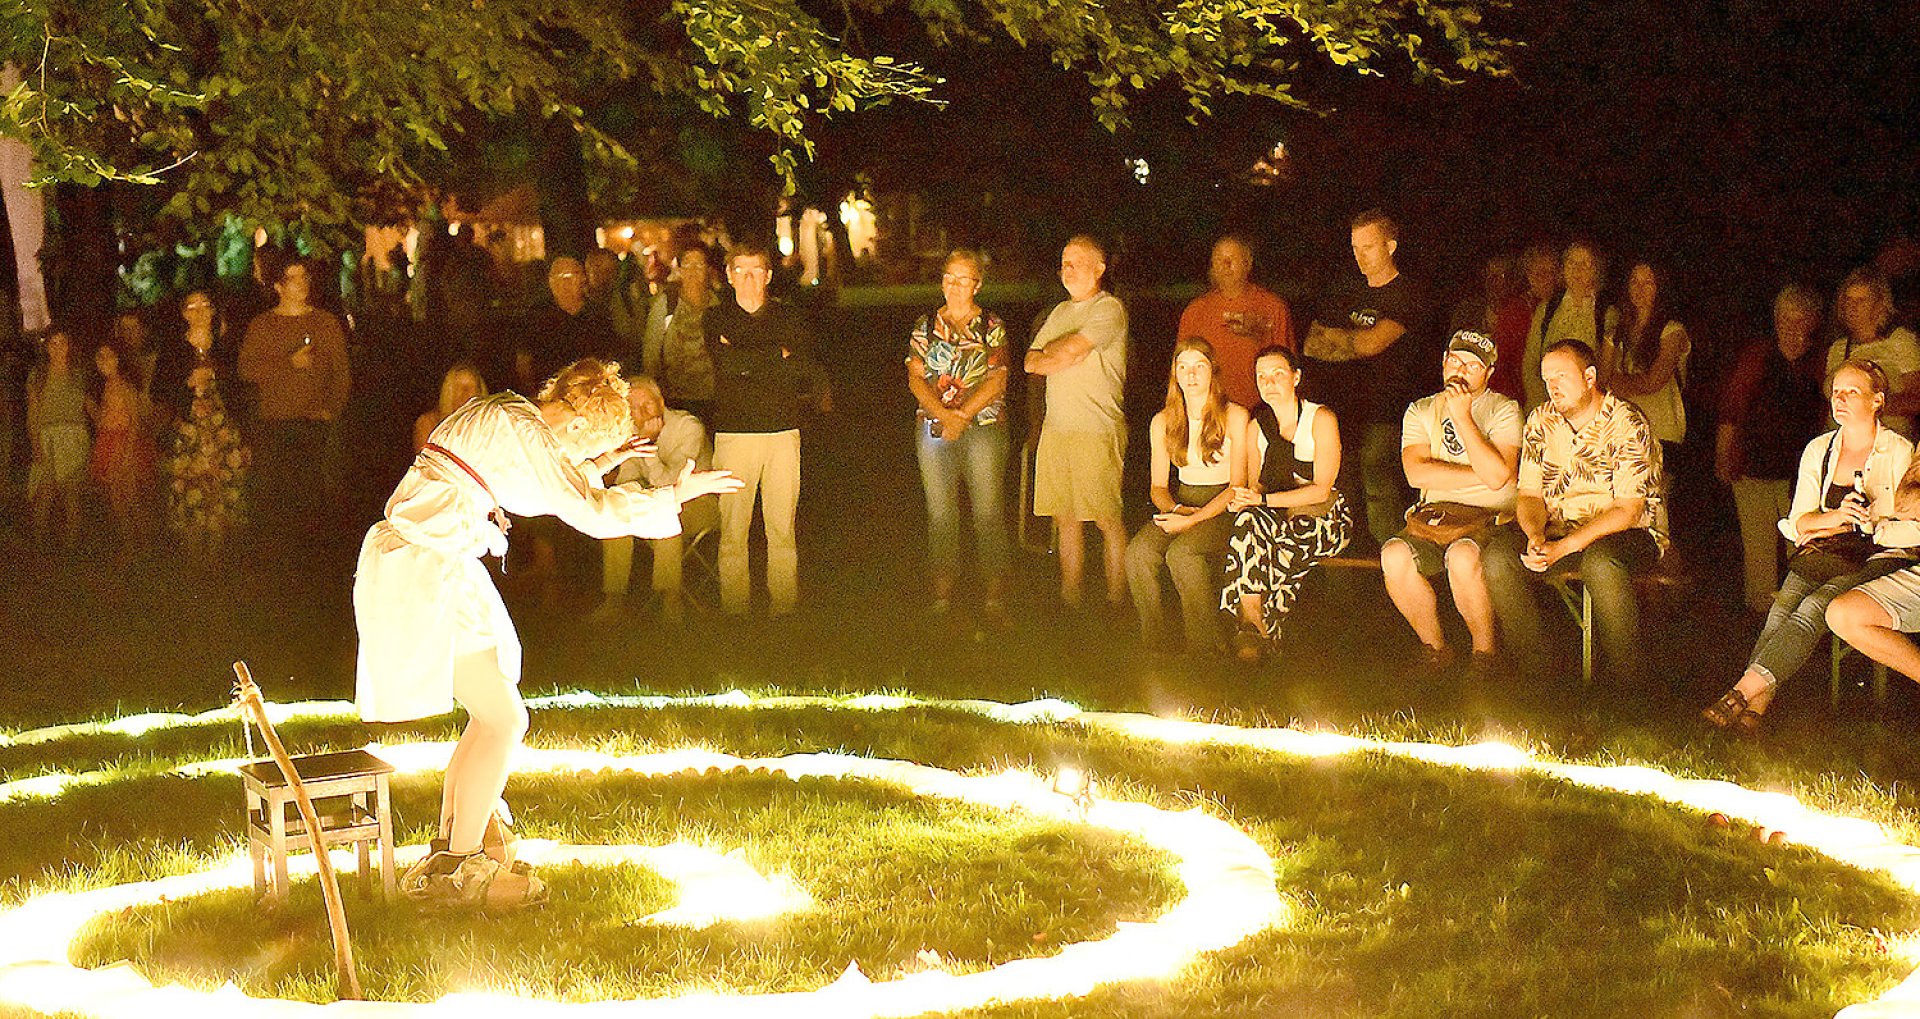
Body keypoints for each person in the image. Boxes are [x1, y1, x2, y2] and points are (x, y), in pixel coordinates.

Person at [355, 358, 741, 909]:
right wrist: (672, 497)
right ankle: (460, 868)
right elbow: (584, 508)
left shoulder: (511, 413)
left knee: (495, 710)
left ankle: (453, 845)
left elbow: (542, 473)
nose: (584, 452)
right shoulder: (522, 432)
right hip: (421, 571)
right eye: (593, 440)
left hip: (438, 565)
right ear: (580, 422)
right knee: (506, 718)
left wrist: (598, 461)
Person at [1702, 360, 1916, 732]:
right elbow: (1800, 521)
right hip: (1826, 550)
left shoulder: (1898, 451)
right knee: (1780, 614)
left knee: (1814, 608)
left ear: (1877, 400)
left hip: (1875, 555)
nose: (1841, 399)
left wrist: (1871, 524)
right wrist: (1836, 517)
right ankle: (1755, 709)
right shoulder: (1820, 449)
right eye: (1836, 392)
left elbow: (1908, 523)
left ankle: (1738, 696)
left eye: (1852, 392)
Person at [1482, 339, 1665, 686]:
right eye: (1547, 378)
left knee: (1600, 562)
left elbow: (1627, 510)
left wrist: (1563, 548)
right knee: (1498, 556)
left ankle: (1629, 681)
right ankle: (1537, 670)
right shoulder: (1541, 420)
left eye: (1561, 377)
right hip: (1559, 529)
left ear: (1590, 376)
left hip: (1626, 533)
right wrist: (1536, 535)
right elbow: (1530, 494)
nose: (1553, 386)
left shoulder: (1626, 422)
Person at [1381, 329, 1522, 677]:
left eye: (1472, 366)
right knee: (1394, 555)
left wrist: (1462, 417)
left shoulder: (1504, 410)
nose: (1460, 371)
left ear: (1488, 373)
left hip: (1491, 518)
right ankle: (1435, 649)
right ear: (1444, 361)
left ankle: (1484, 654)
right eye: (1455, 361)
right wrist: (1486, 474)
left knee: (1462, 557)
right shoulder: (1421, 409)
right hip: (1436, 515)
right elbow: (1416, 473)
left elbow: (1500, 479)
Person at [704, 240, 831, 617]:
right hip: (734, 435)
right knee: (733, 530)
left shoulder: (789, 318)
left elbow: (801, 369)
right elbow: (725, 364)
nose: (747, 279)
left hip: (781, 433)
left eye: (755, 271)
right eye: (739, 271)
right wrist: (775, 356)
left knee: (781, 527)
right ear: (728, 276)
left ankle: (784, 606)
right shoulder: (715, 319)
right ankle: (735, 607)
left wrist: (747, 358)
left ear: (768, 276)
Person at [1303, 209, 1431, 547]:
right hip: (1344, 409)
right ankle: (1347, 561)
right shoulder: (1347, 290)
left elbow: (1372, 342)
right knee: (1340, 486)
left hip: (1387, 411)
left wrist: (1344, 339)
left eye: (1368, 247)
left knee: (1379, 486)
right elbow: (1313, 343)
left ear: (1390, 246)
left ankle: (1394, 559)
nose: (1359, 256)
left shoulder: (1407, 294)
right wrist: (1352, 342)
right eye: (1355, 247)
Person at [1221, 345, 1352, 662]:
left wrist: (1263, 500)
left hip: (1323, 519)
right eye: (1262, 377)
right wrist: (1242, 501)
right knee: (1247, 523)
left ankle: (1253, 632)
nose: (1269, 383)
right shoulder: (1257, 428)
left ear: (1296, 377)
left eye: (1278, 374)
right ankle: (1258, 625)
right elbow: (1254, 488)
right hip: (1277, 517)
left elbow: (1321, 490)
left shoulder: (1320, 419)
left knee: (1271, 548)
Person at [1026, 235, 1130, 611]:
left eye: (1076, 262)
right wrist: (1059, 354)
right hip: (1058, 429)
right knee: (1065, 518)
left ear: (1099, 268)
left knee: (1105, 518)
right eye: (1064, 262)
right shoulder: (1059, 313)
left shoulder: (1109, 309)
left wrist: (1060, 353)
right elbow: (1030, 362)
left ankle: (1116, 597)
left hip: (1096, 429)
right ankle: (1070, 596)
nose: (1067, 269)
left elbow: (1068, 350)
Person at [1126, 337, 1248, 653]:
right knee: (1138, 553)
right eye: (1183, 367)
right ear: (1175, 374)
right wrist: (1179, 511)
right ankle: (1154, 642)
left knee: (1182, 555)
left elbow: (1238, 485)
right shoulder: (1163, 421)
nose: (1191, 375)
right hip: (1183, 502)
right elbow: (1158, 488)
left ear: (1212, 371)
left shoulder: (1234, 415)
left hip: (1223, 507)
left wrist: (1196, 519)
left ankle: (1205, 646)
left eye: (1199, 366)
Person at [908, 249, 1012, 620]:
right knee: (941, 514)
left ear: (978, 285)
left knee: (987, 512)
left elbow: (998, 378)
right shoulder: (925, 327)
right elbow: (916, 378)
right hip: (935, 427)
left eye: (963, 279)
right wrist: (943, 416)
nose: (954, 286)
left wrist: (962, 416)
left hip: (982, 427)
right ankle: (941, 595)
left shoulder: (991, 326)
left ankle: (995, 596)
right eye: (949, 278)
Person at [1717, 284, 1829, 614]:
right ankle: (1761, 616)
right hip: (1754, 467)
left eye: (1799, 320)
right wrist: (1723, 456)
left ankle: (1807, 617)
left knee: (1805, 547)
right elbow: (1731, 410)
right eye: (1785, 319)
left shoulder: (1820, 360)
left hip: (1802, 473)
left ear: (1812, 322)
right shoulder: (1757, 356)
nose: (1791, 327)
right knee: (1759, 549)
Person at [236, 257, 350, 541]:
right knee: (277, 500)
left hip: (313, 424)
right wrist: (287, 364)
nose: (301, 284)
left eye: (304, 277)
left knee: (312, 498)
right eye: (293, 278)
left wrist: (331, 410)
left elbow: (341, 372)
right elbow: (246, 369)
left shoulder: (325, 323)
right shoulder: (263, 325)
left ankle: (310, 558)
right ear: (278, 286)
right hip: (274, 425)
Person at [595, 374, 717, 625]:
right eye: (634, 408)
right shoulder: (628, 432)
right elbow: (626, 479)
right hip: (657, 497)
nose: (642, 414)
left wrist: (648, 446)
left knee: (665, 514)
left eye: (647, 405)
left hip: (700, 503)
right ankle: (614, 600)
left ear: (660, 402)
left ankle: (671, 600)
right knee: (617, 512)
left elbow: (671, 485)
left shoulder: (688, 427)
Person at [159, 292, 250, 555]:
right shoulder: (174, 352)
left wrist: (215, 375)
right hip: (188, 437)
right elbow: (161, 392)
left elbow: (239, 390)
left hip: (223, 435)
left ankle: (217, 564)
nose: (199, 312)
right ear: (184, 314)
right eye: (192, 307)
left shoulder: (225, 349)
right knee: (190, 499)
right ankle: (193, 564)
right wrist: (187, 384)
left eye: (205, 306)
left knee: (221, 498)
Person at [1175, 234, 1293, 409]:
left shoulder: (1272, 307)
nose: (1226, 266)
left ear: (1248, 263)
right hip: (1211, 410)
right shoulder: (1195, 312)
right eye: (1219, 260)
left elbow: (1287, 366)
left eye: (1232, 259)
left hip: (1260, 409)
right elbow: (1180, 368)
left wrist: (1260, 333)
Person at [1603, 262, 1691, 460]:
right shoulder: (1615, 333)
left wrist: (1618, 382)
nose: (1639, 289)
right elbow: (1602, 380)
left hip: (1660, 433)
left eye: (1648, 282)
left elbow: (1653, 382)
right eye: (1635, 281)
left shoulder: (1672, 331)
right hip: (1622, 432)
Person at [1521, 242, 1617, 413]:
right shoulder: (1547, 309)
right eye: (1572, 263)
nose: (1577, 270)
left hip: (1588, 412)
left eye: (1585, 264)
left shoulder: (1606, 313)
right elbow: (1530, 363)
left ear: (1596, 270)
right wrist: (1545, 405)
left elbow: (1607, 369)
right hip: (1547, 408)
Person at [1826, 267, 1920, 439]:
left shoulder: (1900, 342)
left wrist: (1869, 405)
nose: (1852, 307)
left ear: (1879, 305)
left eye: (1861, 300)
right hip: (1843, 445)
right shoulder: (1838, 349)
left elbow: (1915, 400)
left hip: (1888, 445)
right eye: (1848, 300)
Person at [87, 342, 157, 547]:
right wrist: (92, 409)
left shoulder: (124, 385)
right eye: (100, 357)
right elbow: (103, 420)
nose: (104, 361)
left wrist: (127, 453)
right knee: (118, 499)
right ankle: (132, 545)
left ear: (118, 359)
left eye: (109, 356)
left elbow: (134, 420)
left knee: (130, 497)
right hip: (109, 441)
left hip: (124, 443)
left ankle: (143, 545)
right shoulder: (106, 385)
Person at [25, 329, 90, 547]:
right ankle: (38, 545)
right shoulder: (39, 375)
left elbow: (88, 406)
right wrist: (35, 444)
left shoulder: (78, 373)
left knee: (72, 494)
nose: (58, 348)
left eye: (62, 342)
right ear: (47, 347)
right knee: (45, 493)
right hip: (49, 439)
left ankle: (71, 547)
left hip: (73, 438)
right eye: (53, 343)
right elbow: (32, 412)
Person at [521, 256, 621, 390]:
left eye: (582, 273)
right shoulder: (537, 316)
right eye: (576, 274)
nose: (583, 279)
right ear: (558, 281)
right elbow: (524, 361)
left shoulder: (597, 314)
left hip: (591, 391)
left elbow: (610, 355)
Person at [647, 245, 720, 421]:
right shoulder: (667, 304)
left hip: (712, 399)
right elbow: (651, 352)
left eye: (699, 265)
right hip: (675, 400)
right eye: (687, 265)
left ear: (708, 269)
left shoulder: (718, 305)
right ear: (679, 270)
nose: (693, 271)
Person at [414, 363, 489, 453]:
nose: (466, 393)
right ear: (449, 391)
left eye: (471, 387)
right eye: (459, 388)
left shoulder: (488, 424)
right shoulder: (428, 423)